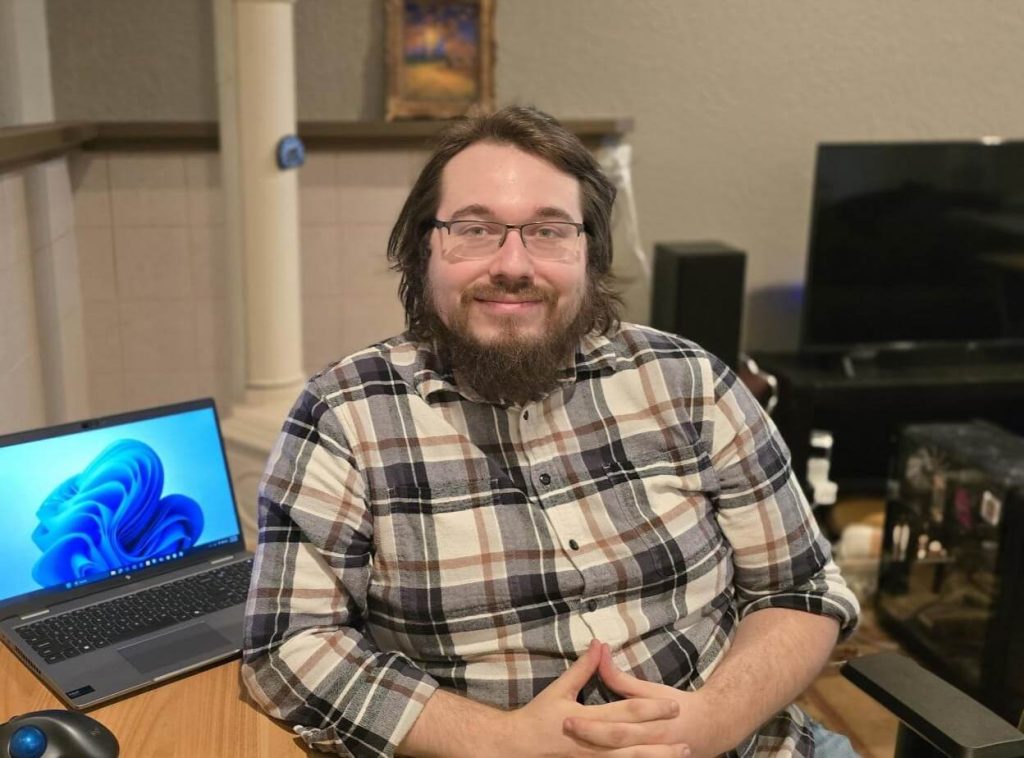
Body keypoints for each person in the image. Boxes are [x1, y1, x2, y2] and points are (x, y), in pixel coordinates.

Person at [241, 105, 861, 757]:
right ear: (424, 250)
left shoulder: (689, 382)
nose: (513, 263)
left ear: (589, 253)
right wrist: (501, 741)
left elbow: (803, 588)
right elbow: (289, 644)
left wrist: (714, 721)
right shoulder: (344, 414)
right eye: (475, 229)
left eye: (548, 231)